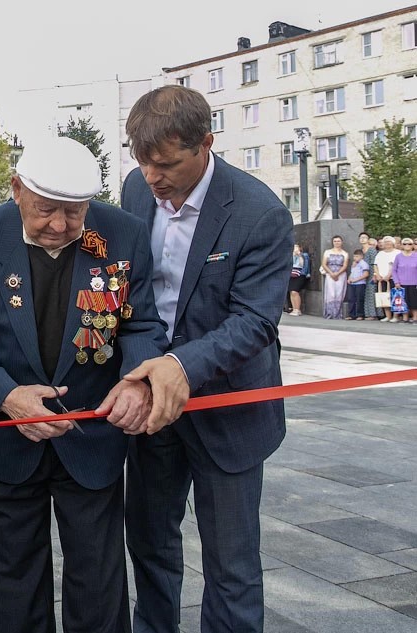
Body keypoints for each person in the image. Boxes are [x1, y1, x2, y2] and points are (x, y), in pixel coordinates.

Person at [0, 136, 169, 633]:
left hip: (92, 434)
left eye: (75, 212)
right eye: (47, 211)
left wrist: (137, 381)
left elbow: (141, 325)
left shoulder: (124, 233)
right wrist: (5, 395)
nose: (61, 226)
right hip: (9, 435)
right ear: (17, 189)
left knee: (99, 581)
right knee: (16, 580)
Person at [119, 85, 293, 633]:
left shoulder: (259, 212)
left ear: (206, 145)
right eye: (143, 163)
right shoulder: (135, 189)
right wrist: (147, 369)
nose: (153, 179)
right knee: (149, 547)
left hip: (229, 409)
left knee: (232, 566)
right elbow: (133, 296)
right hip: (152, 408)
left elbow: (256, 321)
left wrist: (182, 367)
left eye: (166, 164)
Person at [373, 236, 401, 322]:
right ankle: (388, 316)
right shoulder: (380, 253)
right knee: (384, 297)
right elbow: (375, 265)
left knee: (396, 297)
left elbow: (395, 266)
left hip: (393, 278)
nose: (387, 244)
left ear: (393, 243)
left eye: (389, 242)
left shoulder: (397, 253)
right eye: (385, 242)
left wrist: (389, 275)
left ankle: (395, 316)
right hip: (381, 279)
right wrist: (377, 275)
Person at [321, 235, 349, 319]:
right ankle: (329, 313)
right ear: (332, 242)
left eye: (338, 241)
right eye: (335, 241)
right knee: (331, 294)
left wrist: (337, 273)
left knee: (339, 294)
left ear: (341, 242)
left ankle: (337, 314)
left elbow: (345, 265)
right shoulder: (327, 252)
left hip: (341, 275)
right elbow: (324, 264)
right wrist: (331, 273)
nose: (337, 243)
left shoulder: (345, 253)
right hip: (330, 274)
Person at [391, 236, 417, 323]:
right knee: (403, 301)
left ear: (413, 245)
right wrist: (396, 281)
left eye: (409, 244)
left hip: (414, 283)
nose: (407, 245)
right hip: (401, 283)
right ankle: (405, 318)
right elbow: (394, 270)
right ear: (402, 245)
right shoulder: (398, 256)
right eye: (405, 244)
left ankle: (415, 318)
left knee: (414, 301)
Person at [286, 243, 311, 316]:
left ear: (300, 248)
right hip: (292, 274)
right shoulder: (290, 255)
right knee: (291, 291)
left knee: (295, 291)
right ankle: (294, 309)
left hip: (300, 274)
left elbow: (304, 264)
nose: (295, 248)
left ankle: (297, 309)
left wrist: (299, 255)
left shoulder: (304, 255)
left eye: (296, 247)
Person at [345, 249, 368, 320]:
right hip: (352, 284)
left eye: (357, 256)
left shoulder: (364, 264)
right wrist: (349, 279)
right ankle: (351, 314)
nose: (355, 258)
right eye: (354, 256)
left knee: (359, 299)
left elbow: (365, 274)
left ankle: (360, 315)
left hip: (360, 284)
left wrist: (355, 280)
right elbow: (352, 273)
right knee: (351, 299)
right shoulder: (354, 264)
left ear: (361, 256)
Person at [361, 233, 380, 320]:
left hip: (372, 274)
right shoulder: (361, 250)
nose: (362, 239)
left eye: (364, 237)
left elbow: (375, 263)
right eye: (361, 238)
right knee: (366, 294)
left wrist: (375, 275)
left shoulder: (372, 250)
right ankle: (368, 313)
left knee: (371, 294)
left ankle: (374, 314)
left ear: (368, 239)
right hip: (363, 275)